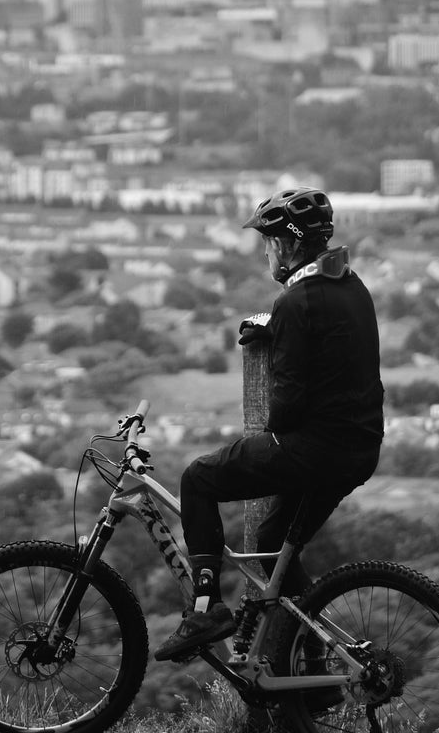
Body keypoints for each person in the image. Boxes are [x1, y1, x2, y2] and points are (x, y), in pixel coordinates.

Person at [156, 186, 384, 662]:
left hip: (313, 449)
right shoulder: (352, 286)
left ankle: (205, 608)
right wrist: (278, 331)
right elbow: (330, 342)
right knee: (268, 548)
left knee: (197, 479)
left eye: (269, 242)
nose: (265, 251)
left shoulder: (295, 303)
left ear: (287, 244)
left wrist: (278, 333)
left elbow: (285, 410)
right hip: (359, 448)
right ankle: (315, 663)